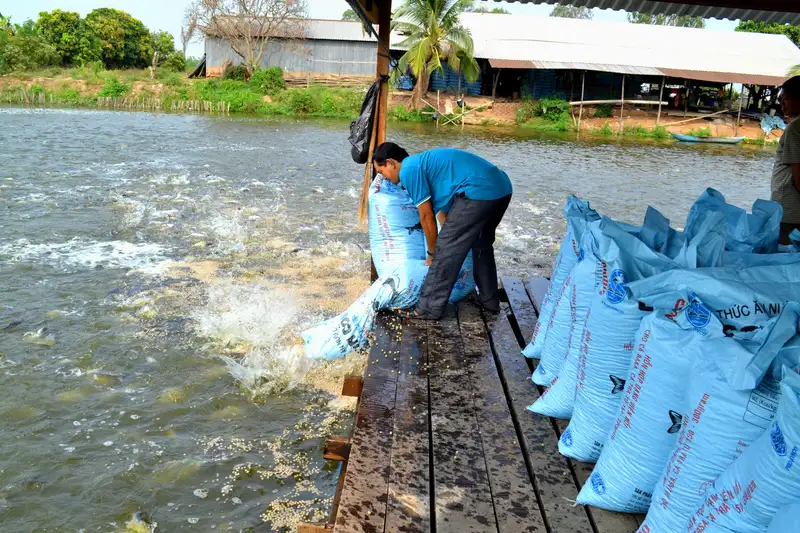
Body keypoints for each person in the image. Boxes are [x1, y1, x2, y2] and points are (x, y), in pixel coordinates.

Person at [371, 143, 513, 320]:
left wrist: (433, 254)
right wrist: (451, 239)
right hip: (501, 189)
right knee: (480, 244)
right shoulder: (426, 166)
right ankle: (489, 301)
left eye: (381, 172)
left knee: (444, 250)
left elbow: (426, 216)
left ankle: (428, 308)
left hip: (478, 191)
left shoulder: (408, 170)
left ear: (391, 163)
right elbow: (443, 215)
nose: (383, 178)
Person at [772, 76, 800, 244]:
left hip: (788, 207)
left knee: (784, 255)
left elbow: (797, 173)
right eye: (780, 99)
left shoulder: (795, 127)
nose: (782, 103)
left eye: (786, 99)